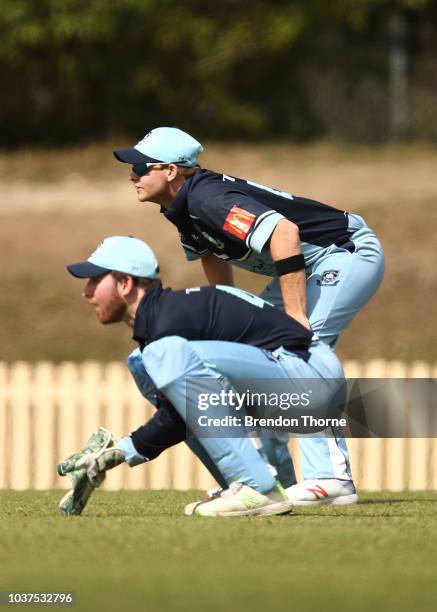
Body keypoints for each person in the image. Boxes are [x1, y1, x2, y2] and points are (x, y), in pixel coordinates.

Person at [112, 127, 385, 505]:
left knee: (301, 352)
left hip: (343, 253)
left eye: (141, 167)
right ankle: (271, 485)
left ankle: (331, 478)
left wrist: (294, 315)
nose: (133, 175)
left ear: (172, 171)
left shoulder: (207, 198)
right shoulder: (181, 209)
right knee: (262, 361)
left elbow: (284, 234)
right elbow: (214, 261)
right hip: (310, 263)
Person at [58, 236, 351, 517]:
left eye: (95, 281)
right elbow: (185, 413)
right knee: (143, 361)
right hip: (285, 374)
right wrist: (120, 452)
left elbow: (179, 414)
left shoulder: (168, 324)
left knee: (161, 355)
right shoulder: (163, 320)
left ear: (124, 283)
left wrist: (123, 450)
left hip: (307, 374)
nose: (86, 292)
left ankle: (256, 488)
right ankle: (253, 485)